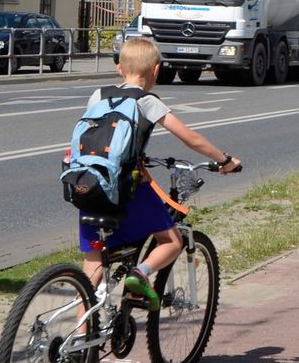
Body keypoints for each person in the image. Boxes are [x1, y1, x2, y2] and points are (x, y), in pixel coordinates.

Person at [79, 38, 241, 310]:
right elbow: (190, 138)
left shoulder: (98, 96)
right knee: (172, 240)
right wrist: (224, 160)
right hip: (127, 189)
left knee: (92, 266)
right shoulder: (147, 101)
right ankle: (140, 274)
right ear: (156, 70)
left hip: (87, 185)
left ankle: (80, 340)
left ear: (119, 69)